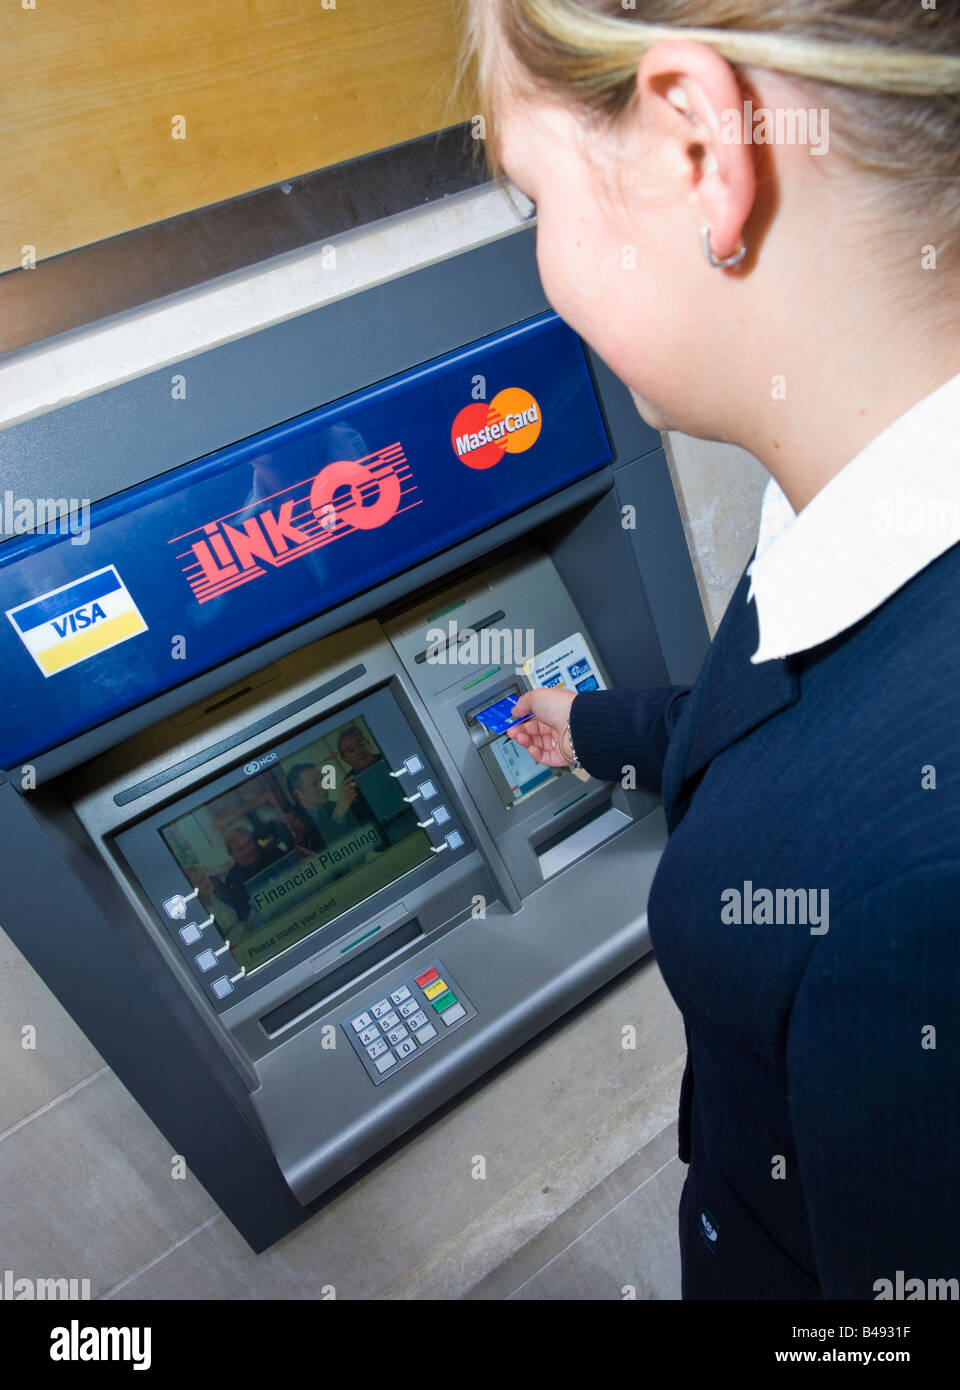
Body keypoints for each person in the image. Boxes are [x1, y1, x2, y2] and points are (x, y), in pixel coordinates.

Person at [468, 0, 960, 1300]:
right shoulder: (865, 486)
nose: (547, 263)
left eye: (534, 203)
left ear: (700, 150)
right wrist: (595, 730)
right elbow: (811, 716)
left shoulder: (927, 885)